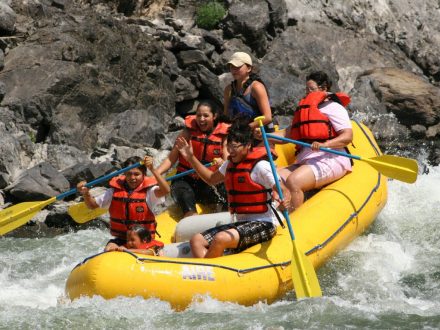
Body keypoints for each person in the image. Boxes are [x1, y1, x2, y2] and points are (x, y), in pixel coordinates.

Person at [175, 118, 291, 258]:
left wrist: (285, 200)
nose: (230, 151)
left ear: (248, 145)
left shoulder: (261, 166)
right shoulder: (229, 164)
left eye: (235, 147)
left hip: (264, 223)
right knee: (196, 241)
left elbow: (283, 189)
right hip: (240, 223)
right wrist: (191, 158)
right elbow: (211, 179)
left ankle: (211, 271)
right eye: (229, 146)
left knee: (220, 239)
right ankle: (211, 270)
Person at [271, 71, 353, 209]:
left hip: (332, 157)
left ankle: (296, 220)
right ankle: (278, 216)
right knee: (273, 178)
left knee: (294, 181)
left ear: (324, 89)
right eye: (306, 89)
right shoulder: (305, 110)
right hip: (307, 160)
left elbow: (347, 136)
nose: (308, 92)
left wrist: (325, 144)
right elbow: (288, 134)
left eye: (312, 89)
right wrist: (266, 136)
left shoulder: (333, 107)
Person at [77, 155, 170, 252]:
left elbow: (166, 190)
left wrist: (153, 169)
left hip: (143, 240)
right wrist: (86, 193)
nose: (132, 178)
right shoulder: (114, 192)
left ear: (143, 175)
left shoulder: (149, 192)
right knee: (108, 248)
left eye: (136, 174)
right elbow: (92, 205)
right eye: (129, 174)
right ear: (124, 174)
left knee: (135, 250)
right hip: (122, 239)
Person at [157, 100, 230, 218]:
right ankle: (191, 217)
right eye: (198, 115)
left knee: (226, 192)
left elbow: (228, 163)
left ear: (214, 116)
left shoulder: (223, 136)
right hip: (186, 179)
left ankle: (227, 217)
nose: (201, 119)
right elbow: (171, 159)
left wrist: (223, 163)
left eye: (206, 116)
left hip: (209, 181)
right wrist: (156, 174)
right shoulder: (187, 132)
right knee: (184, 195)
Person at [223, 51, 274, 132]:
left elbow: (267, 117)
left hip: (259, 133)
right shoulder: (228, 89)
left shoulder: (256, 87)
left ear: (249, 68)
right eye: (232, 66)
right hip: (237, 134)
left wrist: (245, 128)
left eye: (238, 66)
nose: (234, 70)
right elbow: (226, 116)